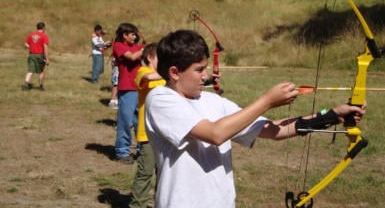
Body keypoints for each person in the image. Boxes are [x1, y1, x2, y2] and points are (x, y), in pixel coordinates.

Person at [145, 29, 366, 208]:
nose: (206, 75)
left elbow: (274, 130)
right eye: (199, 69)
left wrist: (334, 115)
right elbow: (215, 134)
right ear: (175, 73)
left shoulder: (213, 101)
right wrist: (267, 100)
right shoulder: (160, 99)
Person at [130, 43, 165, 208]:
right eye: (162, 57)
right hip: (148, 135)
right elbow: (148, 79)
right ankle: (137, 205)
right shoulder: (143, 71)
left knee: (164, 174)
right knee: (145, 173)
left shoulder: (165, 77)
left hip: (165, 134)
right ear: (150, 58)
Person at [112, 23, 144, 164]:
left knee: (140, 121)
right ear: (124, 35)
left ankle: (141, 149)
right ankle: (122, 151)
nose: (135, 36)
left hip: (139, 87)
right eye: (132, 34)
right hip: (127, 88)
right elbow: (132, 57)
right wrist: (145, 48)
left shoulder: (136, 47)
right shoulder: (119, 46)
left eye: (135, 34)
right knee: (125, 121)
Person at [22, 22, 50, 91]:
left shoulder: (31, 35)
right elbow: (45, 47)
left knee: (30, 70)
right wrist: (47, 58)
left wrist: (31, 47)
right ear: (43, 28)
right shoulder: (44, 36)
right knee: (41, 71)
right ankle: (41, 86)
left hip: (31, 55)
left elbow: (25, 44)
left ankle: (25, 84)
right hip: (40, 55)